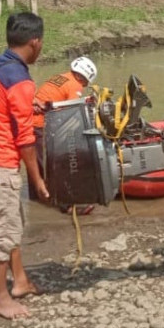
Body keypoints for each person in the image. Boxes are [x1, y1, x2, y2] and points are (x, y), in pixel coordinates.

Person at [0, 12, 49, 319]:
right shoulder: (21, 80)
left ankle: (21, 281)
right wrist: (37, 178)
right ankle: (0, 298)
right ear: (35, 42)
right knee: (4, 231)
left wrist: (25, 104)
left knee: (13, 221)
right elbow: (25, 139)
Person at [30, 56, 98, 215]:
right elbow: (72, 111)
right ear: (83, 77)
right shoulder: (75, 84)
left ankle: (35, 200)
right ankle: (65, 205)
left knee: (37, 164)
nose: (84, 85)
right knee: (56, 165)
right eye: (85, 82)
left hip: (30, 121)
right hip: (40, 125)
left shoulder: (60, 77)